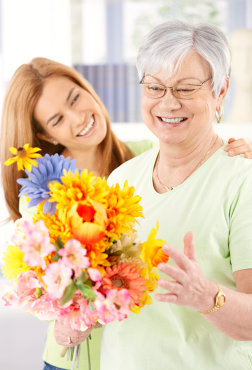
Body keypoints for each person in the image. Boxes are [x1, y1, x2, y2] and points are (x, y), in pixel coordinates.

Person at [0, 56, 251, 370]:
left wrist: (238, 152)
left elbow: (201, 159)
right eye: (57, 120)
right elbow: (38, 278)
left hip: (139, 349)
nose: (78, 118)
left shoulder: (149, 156)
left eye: (75, 99)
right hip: (75, 354)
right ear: (48, 136)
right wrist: (63, 320)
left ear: (87, 90)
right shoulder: (44, 192)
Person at [100, 20, 252, 369]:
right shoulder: (121, 180)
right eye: (154, 87)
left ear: (221, 92)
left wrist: (205, 296)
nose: (168, 103)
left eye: (185, 89)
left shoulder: (242, 180)